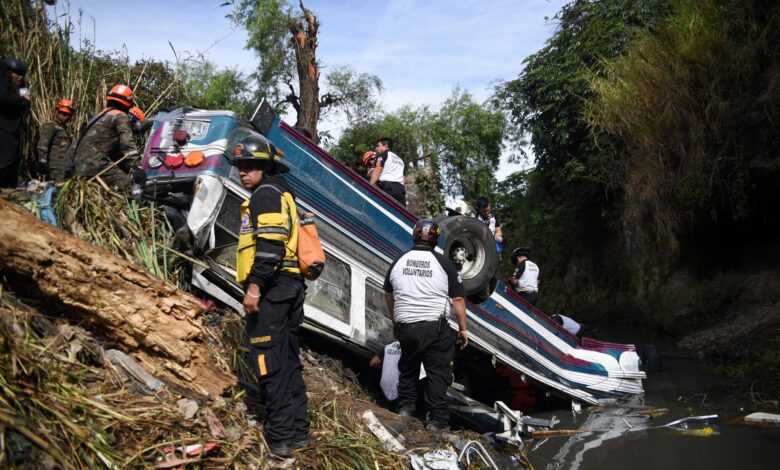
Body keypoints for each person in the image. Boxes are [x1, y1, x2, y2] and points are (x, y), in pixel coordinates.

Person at [232, 134, 309, 458]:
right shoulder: (282, 192)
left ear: (265, 167)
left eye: (249, 166)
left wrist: (254, 288)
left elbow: (270, 248)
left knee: (268, 361)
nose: (242, 172)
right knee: (289, 360)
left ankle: (279, 440)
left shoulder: (265, 194)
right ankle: (298, 432)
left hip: (274, 288)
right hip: (290, 287)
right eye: (240, 167)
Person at [384, 219, 468, 432]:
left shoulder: (399, 261)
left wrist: (396, 321)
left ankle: (406, 410)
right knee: (437, 373)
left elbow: (388, 293)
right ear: (436, 238)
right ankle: (437, 421)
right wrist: (463, 328)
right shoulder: (443, 263)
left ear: (414, 235)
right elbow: (458, 299)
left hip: (406, 327)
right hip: (434, 329)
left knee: (408, 368)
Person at [74, 84, 139, 191]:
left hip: (78, 165)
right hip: (95, 164)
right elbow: (127, 144)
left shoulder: (99, 115)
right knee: (127, 186)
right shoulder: (120, 116)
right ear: (127, 104)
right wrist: (137, 167)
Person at [0, 57, 31, 188]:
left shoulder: (19, 89)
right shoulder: (2, 84)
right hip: (2, 131)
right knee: (4, 162)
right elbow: (5, 100)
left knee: (12, 162)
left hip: (12, 132)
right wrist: (23, 100)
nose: (20, 77)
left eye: (22, 75)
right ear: (6, 72)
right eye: (17, 73)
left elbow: (22, 108)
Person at [37, 99, 75, 182]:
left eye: (69, 115)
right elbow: (43, 144)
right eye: (64, 114)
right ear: (58, 112)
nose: (66, 117)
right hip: (55, 168)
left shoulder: (64, 129)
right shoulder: (51, 126)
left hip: (64, 167)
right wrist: (42, 161)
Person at [370, 137, 405, 205]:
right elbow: (404, 179)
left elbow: (378, 170)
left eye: (378, 146)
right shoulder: (400, 160)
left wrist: (370, 186)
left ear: (386, 146)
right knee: (398, 213)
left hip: (387, 189)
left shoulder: (383, 155)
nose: (376, 148)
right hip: (400, 191)